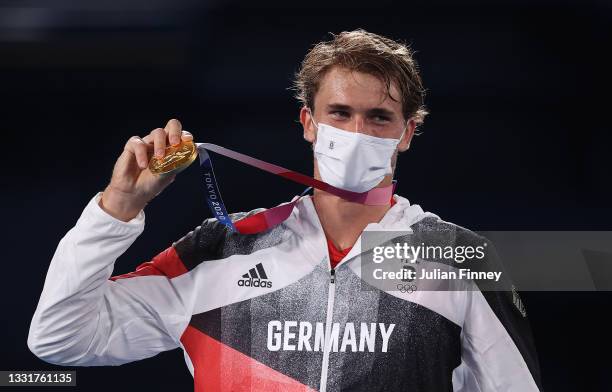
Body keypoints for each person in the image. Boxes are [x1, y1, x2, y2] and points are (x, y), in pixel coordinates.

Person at [28, 29, 542, 391]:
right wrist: (118, 208)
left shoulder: (460, 257)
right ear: (308, 122)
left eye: (379, 117)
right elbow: (60, 337)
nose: (357, 132)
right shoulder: (223, 247)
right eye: (339, 113)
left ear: (407, 132)